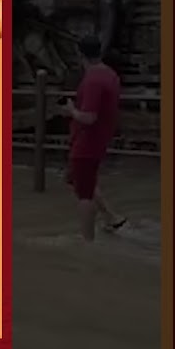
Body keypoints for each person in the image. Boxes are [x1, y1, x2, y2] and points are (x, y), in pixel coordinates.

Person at [62, 35, 127, 241]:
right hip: (98, 139)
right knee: (79, 180)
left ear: (79, 54)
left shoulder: (93, 80)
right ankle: (111, 217)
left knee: (84, 195)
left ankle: (87, 241)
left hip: (87, 142)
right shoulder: (110, 74)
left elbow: (89, 117)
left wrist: (71, 109)